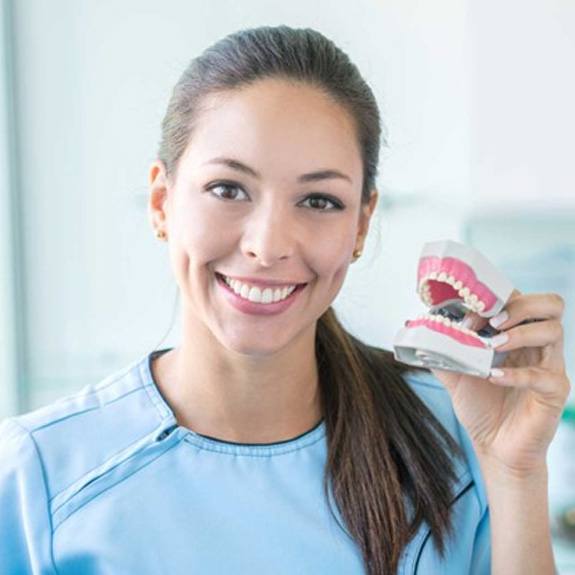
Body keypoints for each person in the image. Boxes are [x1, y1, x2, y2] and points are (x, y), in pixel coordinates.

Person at [0, 25, 569, 575]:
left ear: (362, 223)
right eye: (228, 189)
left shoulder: (456, 434)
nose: (268, 246)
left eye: (319, 200)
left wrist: (514, 471)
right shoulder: (41, 475)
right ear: (161, 202)